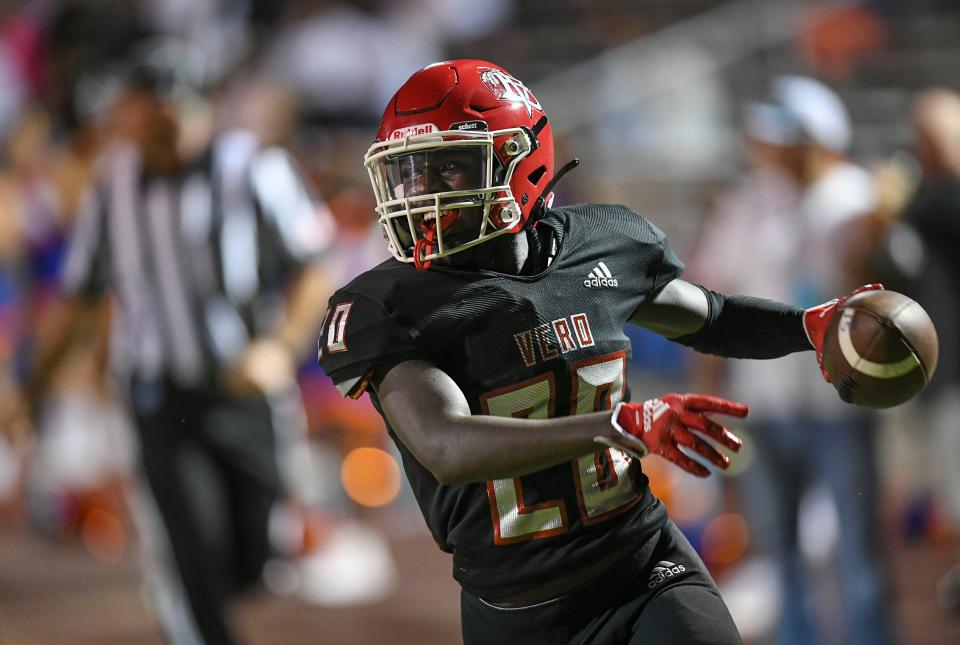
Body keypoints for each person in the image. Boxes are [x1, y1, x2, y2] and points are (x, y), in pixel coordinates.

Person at [316, 59, 878, 644]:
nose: (419, 195)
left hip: (640, 564)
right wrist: (614, 425)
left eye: (445, 169)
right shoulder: (387, 303)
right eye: (406, 173)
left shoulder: (601, 245)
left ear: (518, 165)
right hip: (514, 609)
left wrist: (810, 325)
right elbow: (446, 443)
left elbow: (710, 317)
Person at [9, 60, 335, 645]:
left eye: (166, 121)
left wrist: (278, 348)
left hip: (245, 390)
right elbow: (76, 299)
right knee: (191, 547)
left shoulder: (255, 169)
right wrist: (29, 390)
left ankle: (202, 596)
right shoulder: (113, 185)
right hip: (158, 396)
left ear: (197, 112)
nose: (155, 136)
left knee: (259, 554)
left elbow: (315, 268)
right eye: (141, 123)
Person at [691, 76, 893, 645]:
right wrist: (709, 394)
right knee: (781, 558)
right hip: (768, 402)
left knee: (857, 554)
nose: (766, 148)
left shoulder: (861, 198)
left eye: (782, 138)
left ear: (818, 141)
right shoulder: (749, 202)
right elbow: (709, 305)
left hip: (841, 405)